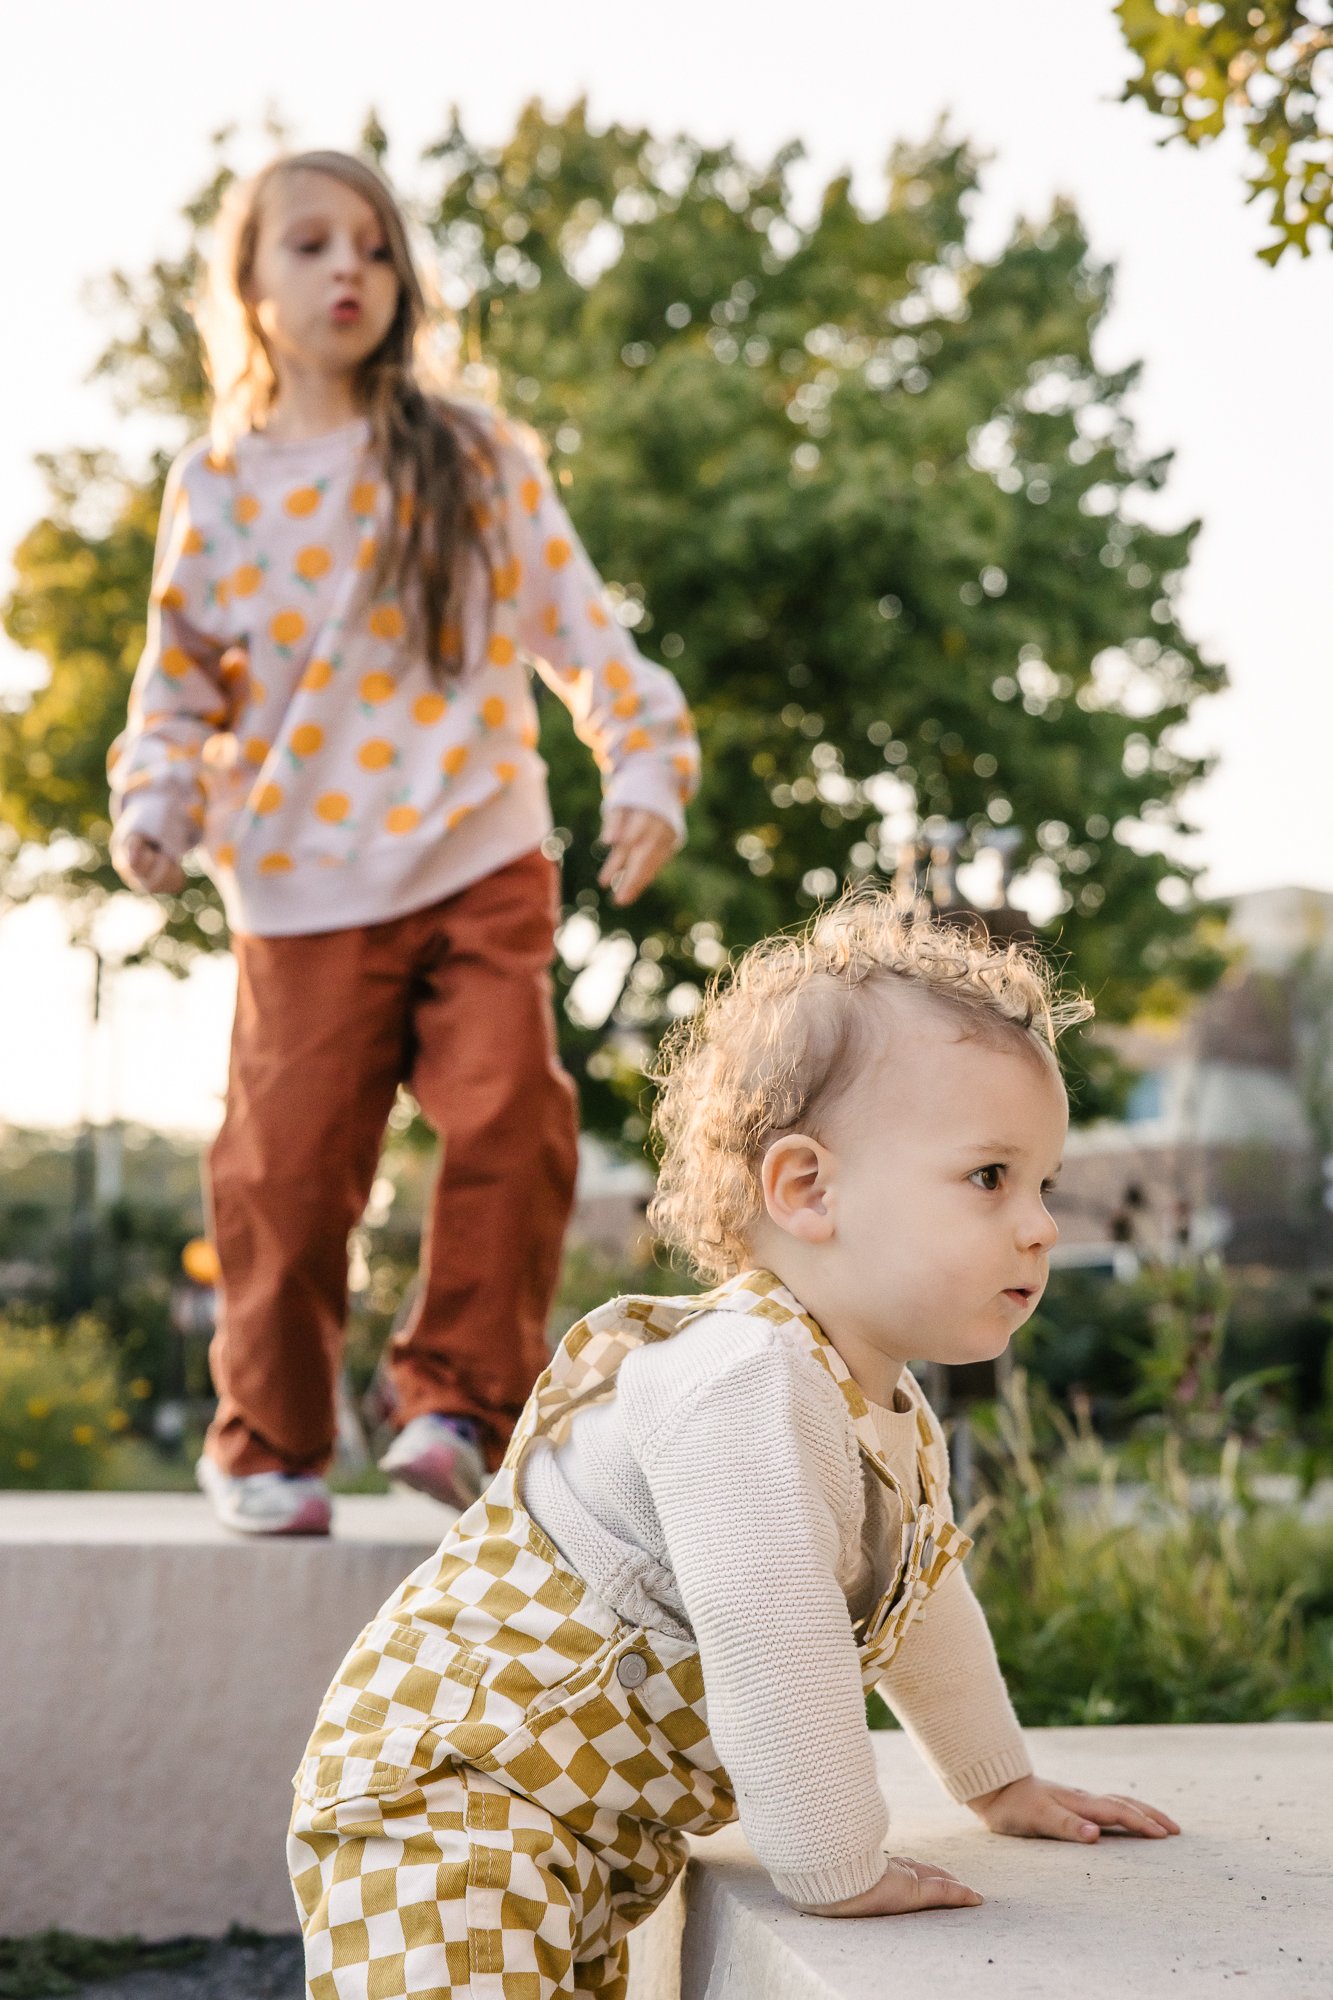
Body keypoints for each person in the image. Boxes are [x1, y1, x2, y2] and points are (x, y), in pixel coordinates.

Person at [287, 891, 1180, 1998]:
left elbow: (910, 1602)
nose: (1042, 1223)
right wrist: (836, 1864)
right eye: (990, 1175)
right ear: (807, 1187)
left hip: (577, 1823)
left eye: (1046, 1182)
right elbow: (776, 1630)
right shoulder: (744, 1379)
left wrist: (1000, 1784)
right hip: (449, 1800)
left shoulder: (874, 1400)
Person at [108, 150, 698, 1536]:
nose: (347, 270)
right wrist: (156, 801)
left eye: (373, 247)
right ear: (248, 286)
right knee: (287, 1175)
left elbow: (579, 626)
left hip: (476, 848)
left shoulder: (471, 455)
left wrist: (645, 762)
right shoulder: (221, 483)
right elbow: (178, 684)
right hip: (300, 883)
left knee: (513, 1110)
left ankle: (453, 1403)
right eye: (310, 245)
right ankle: (269, 1443)